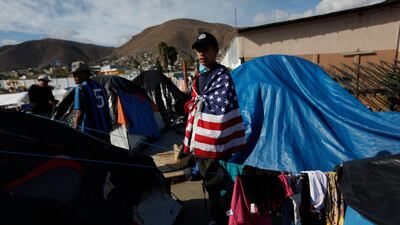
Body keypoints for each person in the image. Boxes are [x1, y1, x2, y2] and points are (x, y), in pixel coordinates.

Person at [183, 32, 247, 224]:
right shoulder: (199, 77)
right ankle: (215, 214)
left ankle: (228, 214)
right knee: (208, 179)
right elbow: (196, 101)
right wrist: (192, 105)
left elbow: (222, 106)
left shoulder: (223, 76)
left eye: (206, 49)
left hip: (217, 140)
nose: (202, 53)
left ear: (215, 51)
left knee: (221, 180)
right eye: (199, 50)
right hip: (201, 140)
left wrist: (199, 103)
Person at [71, 61, 112, 142]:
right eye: (73, 74)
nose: (74, 77)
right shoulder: (100, 86)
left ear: (86, 74)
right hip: (105, 128)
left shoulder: (80, 88)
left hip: (90, 132)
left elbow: (80, 111)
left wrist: (75, 127)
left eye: (77, 74)